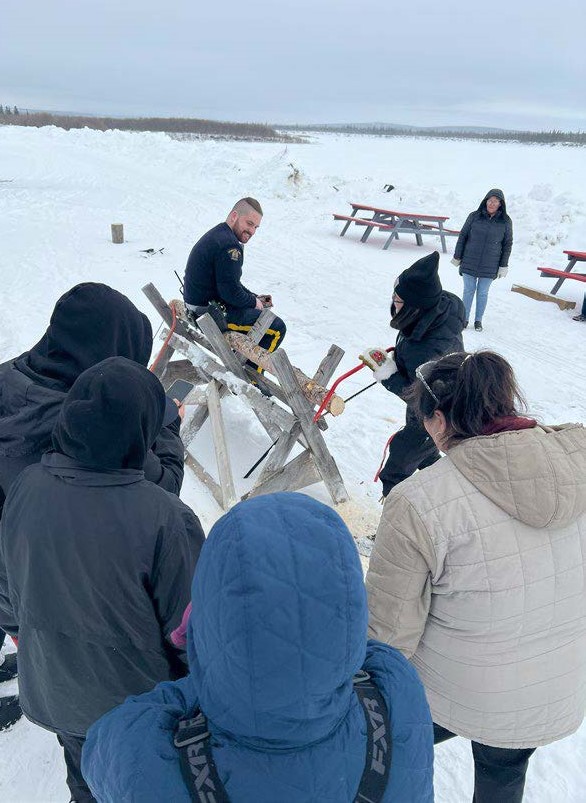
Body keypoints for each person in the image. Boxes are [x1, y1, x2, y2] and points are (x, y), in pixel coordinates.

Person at [82, 492, 434, 803]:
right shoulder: (394, 694)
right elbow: (355, 651)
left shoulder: (141, 757)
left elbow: (100, 747)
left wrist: (208, 653)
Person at [366, 350, 586, 803]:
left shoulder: (418, 501)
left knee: (383, 745)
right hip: (560, 686)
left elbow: (388, 640)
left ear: (440, 421)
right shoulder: (576, 460)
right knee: (504, 764)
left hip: (458, 691)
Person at [0, 356, 205, 803]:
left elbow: (5, 591)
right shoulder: (168, 519)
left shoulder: (26, 485)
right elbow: (192, 637)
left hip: (54, 694)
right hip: (134, 710)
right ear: (145, 432)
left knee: (85, 780)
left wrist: (38, 641)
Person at [0, 282, 186, 731]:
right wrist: (162, 421)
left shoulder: (9, 377)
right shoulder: (81, 429)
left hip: (11, 563)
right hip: (41, 574)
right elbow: (159, 485)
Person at [361, 251, 465, 498]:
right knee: (428, 455)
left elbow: (420, 397)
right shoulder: (435, 309)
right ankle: (447, 496)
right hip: (432, 410)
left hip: (439, 414)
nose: (393, 303)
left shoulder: (428, 349)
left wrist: (389, 375)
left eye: (398, 300)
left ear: (414, 306)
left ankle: (392, 521)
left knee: (398, 465)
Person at [183, 197, 286, 356]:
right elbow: (230, 292)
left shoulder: (220, 234)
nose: (252, 231)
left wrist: (254, 298)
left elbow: (230, 283)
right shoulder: (230, 246)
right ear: (234, 217)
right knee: (277, 327)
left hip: (198, 306)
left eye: (256, 227)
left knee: (257, 315)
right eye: (249, 224)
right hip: (208, 314)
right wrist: (253, 302)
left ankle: (241, 360)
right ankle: (252, 378)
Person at [451, 188, 513, 331]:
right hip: (469, 260)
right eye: (490, 200)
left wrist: (503, 265)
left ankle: (478, 320)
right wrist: (457, 256)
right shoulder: (474, 216)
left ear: (500, 204)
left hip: (490, 264)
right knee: (468, 290)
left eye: (495, 201)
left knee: (483, 292)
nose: (492, 204)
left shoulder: (505, 221)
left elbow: (507, 244)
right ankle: (464, 319)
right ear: (485, 201)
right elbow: (463, 236)